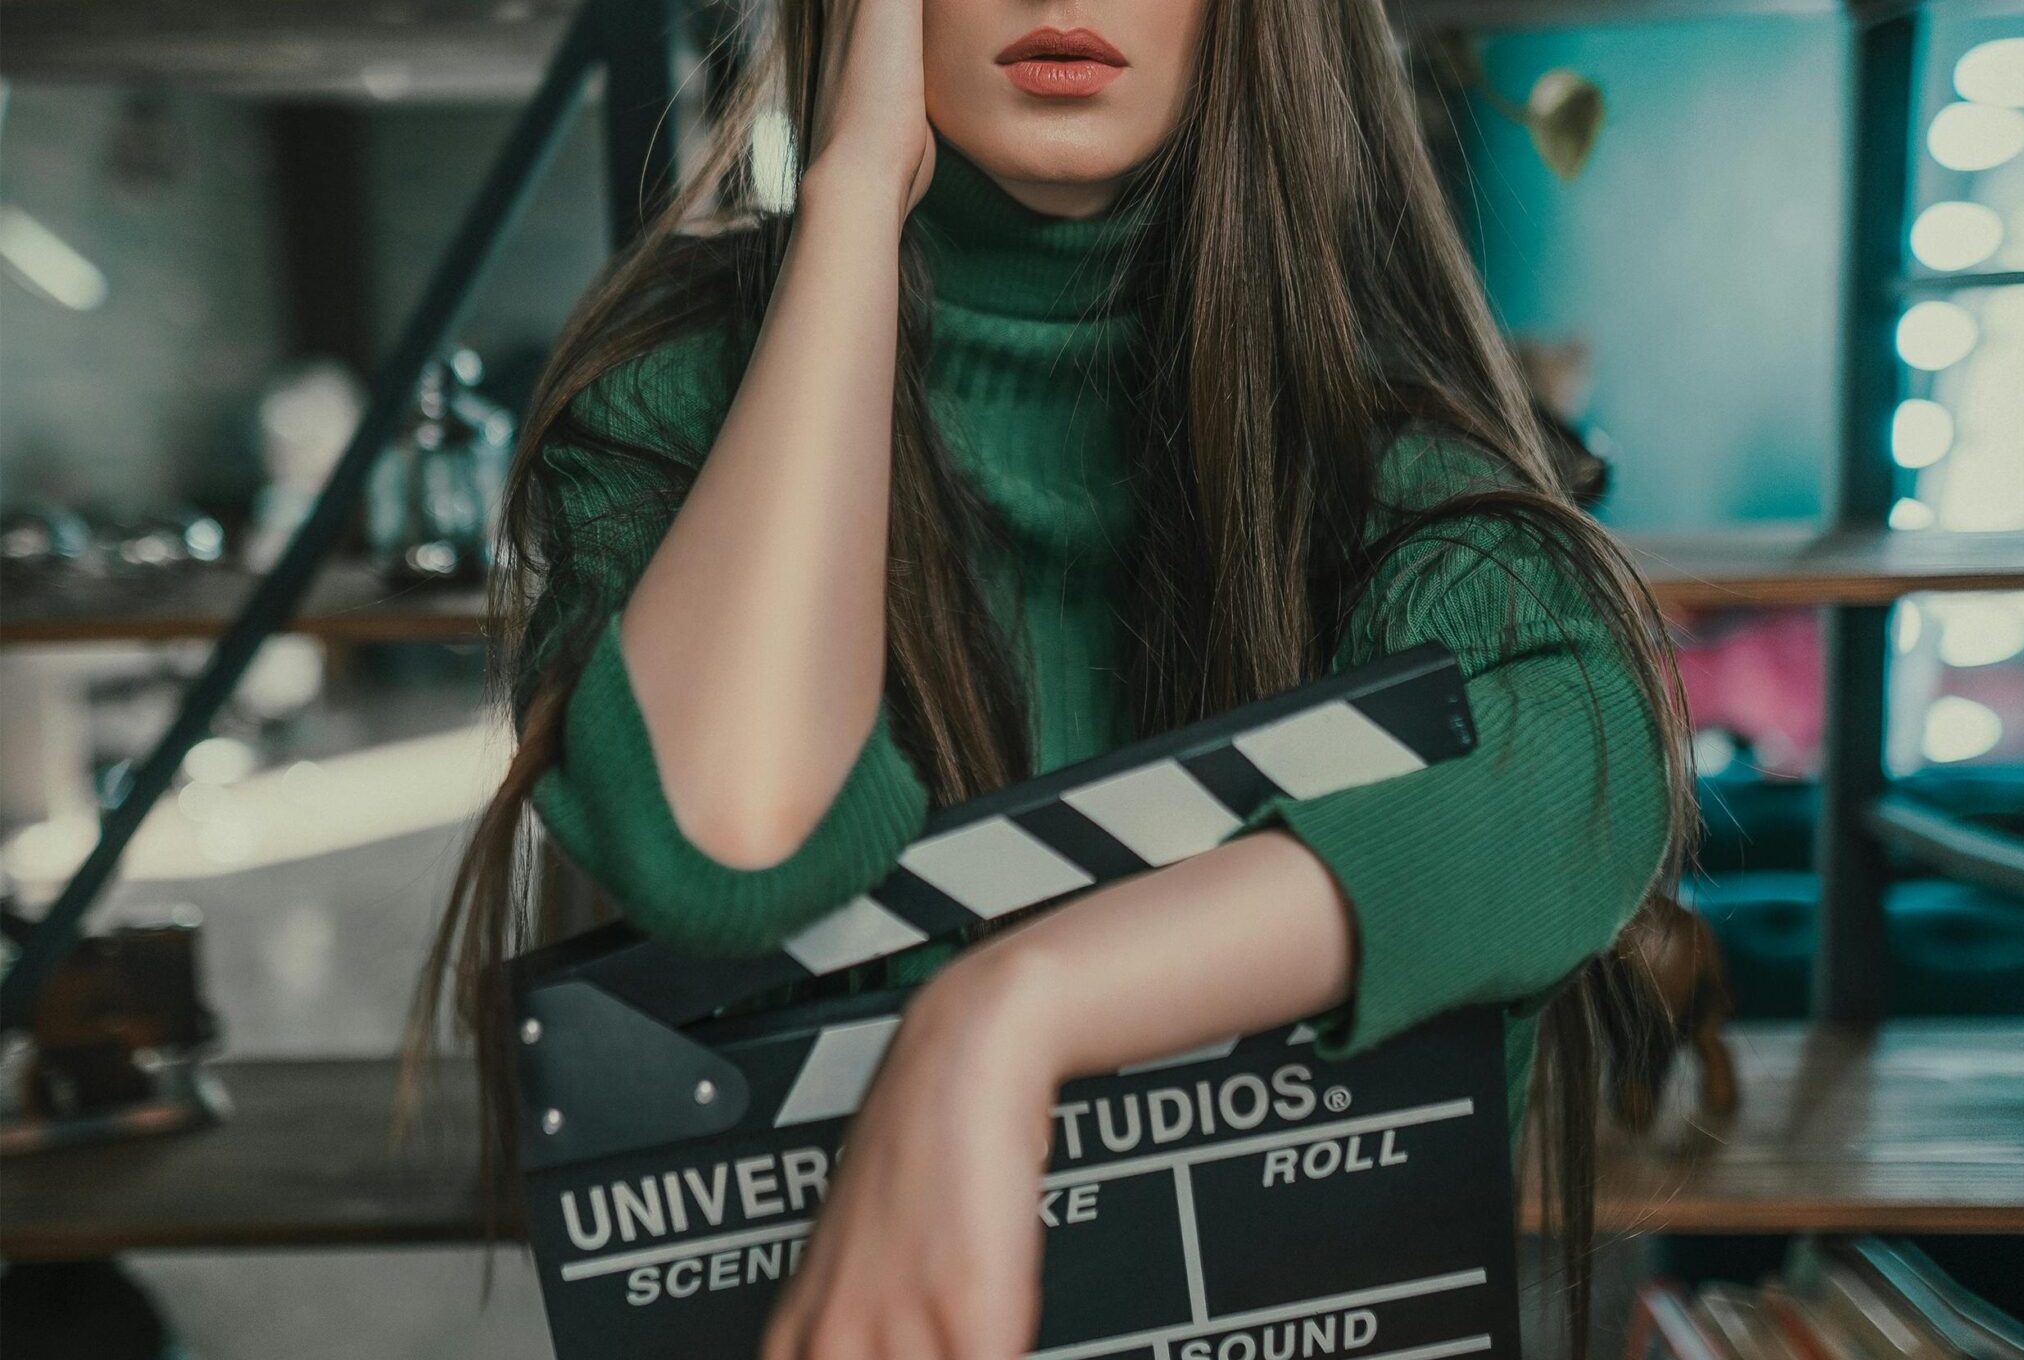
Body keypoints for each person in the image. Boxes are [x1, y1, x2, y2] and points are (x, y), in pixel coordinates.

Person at [406, 1, 1693, 1355]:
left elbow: (1581, 776)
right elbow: (729, 840)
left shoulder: (1387, 449)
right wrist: (849, 197)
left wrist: (1008, 1017)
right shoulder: (665, 397)